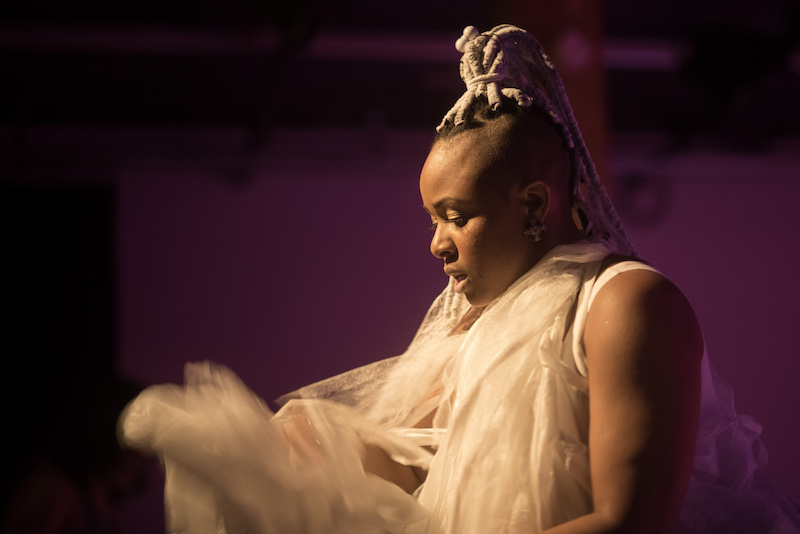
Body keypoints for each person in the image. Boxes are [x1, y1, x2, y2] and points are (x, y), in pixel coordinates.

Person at [119, 24, 800, 534]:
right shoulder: (481, 333)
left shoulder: (626, 303)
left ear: (534, 206)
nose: (436, 243)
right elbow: (419, 475)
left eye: (455, 216)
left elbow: (628, 523)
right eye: (433, 217)